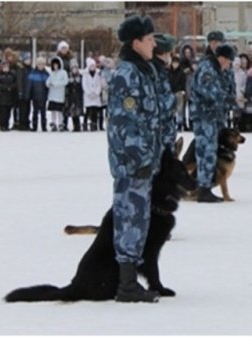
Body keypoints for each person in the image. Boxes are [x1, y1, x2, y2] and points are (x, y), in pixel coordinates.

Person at [107, 15, 165, 303]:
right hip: (132, 162)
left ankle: (131, 280)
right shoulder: (127, 74)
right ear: (136, 42)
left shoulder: (143, 71)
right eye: (150, 38)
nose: (154, 42)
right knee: (129, 217)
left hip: (143, 160)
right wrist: (141, 156)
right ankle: (126, 284)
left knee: (139, 218)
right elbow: (125, 120)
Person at [189, 44, 236, 202]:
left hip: (212, 116)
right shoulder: (207, 69)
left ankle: (204, 185)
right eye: (229, 61)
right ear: (222, 58)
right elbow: (209, 91)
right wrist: (228, 99)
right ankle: (203, 188)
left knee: (210, 150)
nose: (229, 65)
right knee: (206, 151)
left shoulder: (215, 68)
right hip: (205, 117)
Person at [150, 33, 177, 150]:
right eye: (169, 53)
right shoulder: (154, 72)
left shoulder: (161, 71)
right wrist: (173, 101)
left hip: (165, 133)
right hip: (158, 135)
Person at [26, 57, 50, 132]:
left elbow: (49, 86)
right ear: (37, 64)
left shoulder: (47, 74)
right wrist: (28, 95)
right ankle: (34, 126)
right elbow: (29, 86)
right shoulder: (32, 74)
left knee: (43, 113)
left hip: (43, 96)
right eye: (39, 64)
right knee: (35, 112)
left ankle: (44, 126)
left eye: (42, 64)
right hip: (35, 96)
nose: (41, 65)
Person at [46, 57, 68, 132]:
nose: (55, 66)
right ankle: (53, 123)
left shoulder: (63, 72)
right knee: (53, 110)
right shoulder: (51, 73)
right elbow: (48, 81)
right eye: (54, 65)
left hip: (59, 95)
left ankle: (60, 123)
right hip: (52, 95)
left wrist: (56, 84)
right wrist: (48, 84)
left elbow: (65, 81)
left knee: (59, 111)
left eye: (57, 65)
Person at [0, 61, 18, 131]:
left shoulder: (13, 74)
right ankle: (2, 125)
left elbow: (15, 83)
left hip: (10, 96)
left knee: (8, 111)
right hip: (1, 96)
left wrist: (11, 88)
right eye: (4, 67)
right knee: (2, 112)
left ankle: (7, 125)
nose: (6, 68)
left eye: (7, 67)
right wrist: (6, 88)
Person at [83, 58, 104, 131]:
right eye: (91, 66)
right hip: (88, 95)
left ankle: (94, 124)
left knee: (94, 111)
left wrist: (96, 93)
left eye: (94, 66)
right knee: (88, 111)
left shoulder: (98, 74)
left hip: (95, 96)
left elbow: (99, 85)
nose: (92, 68)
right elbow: (84, 85)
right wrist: (89, 93)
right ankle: (85, 124)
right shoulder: (85, 75)